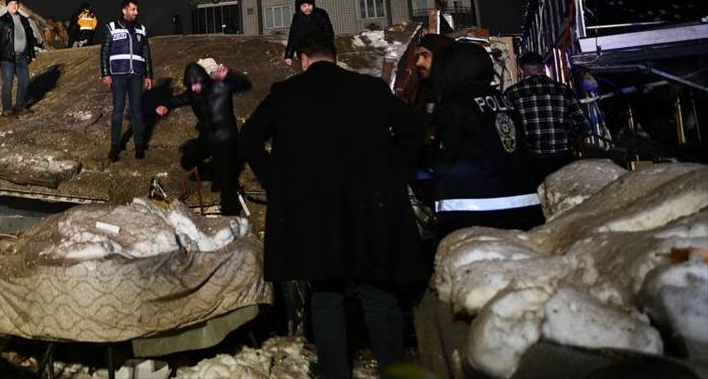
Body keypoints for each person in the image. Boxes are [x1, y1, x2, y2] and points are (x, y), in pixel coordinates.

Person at [239, 33, 425, 379]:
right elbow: (413, 128)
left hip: (314, 216)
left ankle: (334, 372)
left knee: (325, 297)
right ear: (335, 56)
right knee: (378, 295)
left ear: (303, 59)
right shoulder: (369, 89)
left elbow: (248, 139)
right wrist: (393, 171)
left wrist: (275, 182)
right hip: (371, 209)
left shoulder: (286, 94)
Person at [431, 41, 543, 238]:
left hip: (473, 215)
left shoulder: (455, 104)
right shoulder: (504, 100)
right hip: (523, 209)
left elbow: (445, 157)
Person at [156, 58, 250, 215]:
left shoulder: (221, 85)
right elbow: (177, 99)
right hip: (208, 137)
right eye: (191, 85)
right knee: (187, 160)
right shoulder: (193, 93)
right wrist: (165, 106)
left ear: (204, 79)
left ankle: (230, 216)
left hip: (226, 138)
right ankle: (215, 173)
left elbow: (245, 85)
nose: (194, 88)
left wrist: (230, 76)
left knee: (227, 185)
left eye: (197, 83)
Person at [505, 52, 593, 184]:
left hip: (531, 159)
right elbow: (585, 127)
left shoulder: (512, 93)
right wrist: (570, 139)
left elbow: (507, 130)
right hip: (562, 156)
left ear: (521, 69)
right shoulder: (563, 90)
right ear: (543, 67)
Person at [100, 0, 153, 161]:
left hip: (136, 74)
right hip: (118, 74)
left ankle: (139, 145)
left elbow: (146, 52)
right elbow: (105, 52)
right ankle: (115, 146)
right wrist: (105, 73)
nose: (136, 12)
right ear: (124, 10)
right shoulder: (112, 27)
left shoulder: (141, 29)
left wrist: (149, 75)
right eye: (133, 9)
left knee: (137, 110)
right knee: (118, 110)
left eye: (136, 9)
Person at [0, 0, 36, 115]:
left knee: (24, 81)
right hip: (7, 57)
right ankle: (7, 109)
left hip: (22, 56)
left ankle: (20, 106)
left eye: (16, 4)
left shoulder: (24, 20)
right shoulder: (1, 21)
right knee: (7, 83)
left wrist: (32, 54)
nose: (14, 6)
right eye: (11, 4)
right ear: (7, 6)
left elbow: (30, 38)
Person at [283, 0, 334, 66]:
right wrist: (288, 56)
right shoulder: (297, 18)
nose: (307, 8)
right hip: (304, 49)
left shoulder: (320, 14)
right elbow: (293, 36)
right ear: (299, 7)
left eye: (309, 5)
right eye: (304, 6)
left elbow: (328, 32)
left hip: (320, 47)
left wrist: (325, 47)